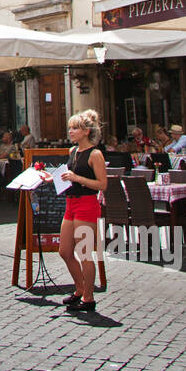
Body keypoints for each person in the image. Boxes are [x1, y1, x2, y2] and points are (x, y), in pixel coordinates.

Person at [59, 110, 108, 314]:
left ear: (86, 131)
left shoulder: (95, 154)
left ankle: (88, 297)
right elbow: (69, 176)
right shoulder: (73, 152)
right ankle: (79, 288)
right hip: (71, 203)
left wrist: (77, 179)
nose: (71, 131)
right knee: (65, 251)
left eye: (75, 128)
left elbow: (102, 184)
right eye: (70, 127)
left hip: (87, 204)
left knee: (85, 253)